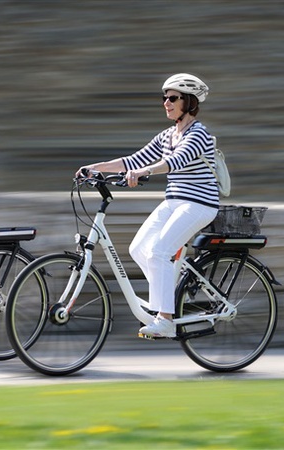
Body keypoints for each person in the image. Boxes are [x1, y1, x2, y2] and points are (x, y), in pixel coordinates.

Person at [76, 73, 219, 338]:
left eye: (173, 98)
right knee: (138, 248)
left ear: (189, 101)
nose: (166, 102)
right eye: (164, 98)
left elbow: (175, 161)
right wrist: (94, 167)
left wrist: (144, 173)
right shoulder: (167, 135)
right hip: (174, 201)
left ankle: (165, 318)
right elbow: (135, 159)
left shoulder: (199, 134)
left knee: (158, 252)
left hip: (199, 204)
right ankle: (167, 300)